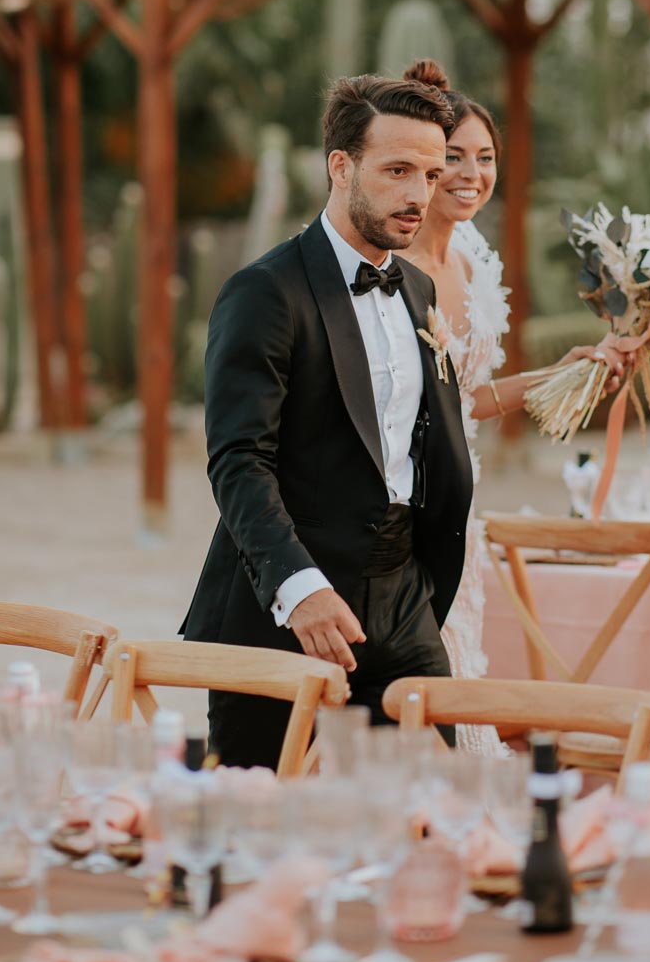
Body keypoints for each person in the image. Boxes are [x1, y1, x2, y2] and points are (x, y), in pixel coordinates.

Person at [181, 68, 473, 770]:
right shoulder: (263, 292)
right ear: (340, 167)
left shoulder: (419, 290)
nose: (417, 196)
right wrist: (298, 588)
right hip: (284, 613)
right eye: (397, 170)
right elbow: (237, 460)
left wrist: (422, 590)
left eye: (430, 175)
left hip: (405, 608)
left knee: (427, 814)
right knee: (258, 827)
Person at [400, 60, 619, 754]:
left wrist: (554, 376)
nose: (470, 173)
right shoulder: (386, 262)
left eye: (484, 158)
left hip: (459, 506)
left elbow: (463, 401)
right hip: (397, 514)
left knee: (458, 664)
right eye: (453, 157)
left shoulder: (468, 258)